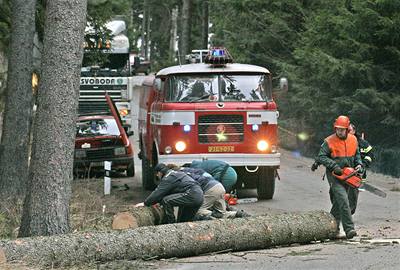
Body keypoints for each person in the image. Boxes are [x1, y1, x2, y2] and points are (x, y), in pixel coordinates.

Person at [316, 115, 363, 239]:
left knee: (339, 204)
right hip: (335, 176)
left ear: (347, 129)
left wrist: (359, 165)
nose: (339, 131)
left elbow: (357, 156)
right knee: (343, 200)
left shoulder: (353, 140)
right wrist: (333, 165)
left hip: (349, 175)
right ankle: (349, 229)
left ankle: (331, 228)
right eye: (337, 129)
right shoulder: (329, 141)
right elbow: (321, 157)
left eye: (342, 129)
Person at [168, 164, 249, 220]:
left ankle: (215, 215)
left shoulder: (180, 175)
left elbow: (190, 196)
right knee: (221, 214)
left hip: (211, 189)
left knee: (198, 212)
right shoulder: (195, 170)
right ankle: (237, 214)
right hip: (219, 186)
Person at [135, 163, 204, 223]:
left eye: (157, 175)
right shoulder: (175, 173)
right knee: (183, 222)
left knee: (166, 200)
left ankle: (171, 224)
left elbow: (158, 192)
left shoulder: (168, 177)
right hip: (199, 195)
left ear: (159, 173)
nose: (157, 176)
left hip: (192, 194)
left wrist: (145, 203)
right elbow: (169, 193)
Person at [348, 123, 374, 215]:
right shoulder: (341, 142)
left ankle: (349, 212)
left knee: (354, 194)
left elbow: (370, 155)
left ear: (354, 131)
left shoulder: (363, 143)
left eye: (349, 130)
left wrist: (363, 164)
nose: (347, 132)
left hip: (358, 173)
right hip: (344, 172)